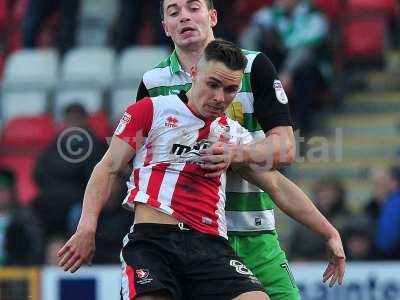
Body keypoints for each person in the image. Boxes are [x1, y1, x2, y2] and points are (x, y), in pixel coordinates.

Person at [58, 39, 344, 299]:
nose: (220, 97)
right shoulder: (149, 110)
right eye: (213, 84)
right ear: (194, 74)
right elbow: (107, 168)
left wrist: (329, 232)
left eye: (231, 89)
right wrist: (86, 227)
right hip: (153, 241)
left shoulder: (233, 137)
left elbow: (277, 186)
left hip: (209, 246)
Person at [135, 1, 302, 299]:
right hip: (187, 238)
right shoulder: (153, 82)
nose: (184, 16)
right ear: (165, 27)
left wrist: (235, 154)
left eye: (193, 7)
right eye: (173, 12)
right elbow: (139, 165)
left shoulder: (254, 66)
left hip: (251, 228)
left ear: (212, 16)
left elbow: (286, 148)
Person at [239, 0, 331, 135]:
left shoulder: (314, 16)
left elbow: (304, 48)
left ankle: (302, 128)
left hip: (310, 71)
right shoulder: (269, 14)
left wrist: (287, 73)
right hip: (279, 69)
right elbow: (249, 36)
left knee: (305, 72)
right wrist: (253, 64)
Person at [32, 103, 107, 239]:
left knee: (77, 213)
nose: (74, 124)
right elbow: (39, 175)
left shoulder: (97, 147)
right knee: (30, 213)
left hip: (81, 199)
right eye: (70, 120)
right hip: (52, 200)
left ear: (85, 121)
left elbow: (94, 179)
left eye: (77, 119)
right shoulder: (53, 146)